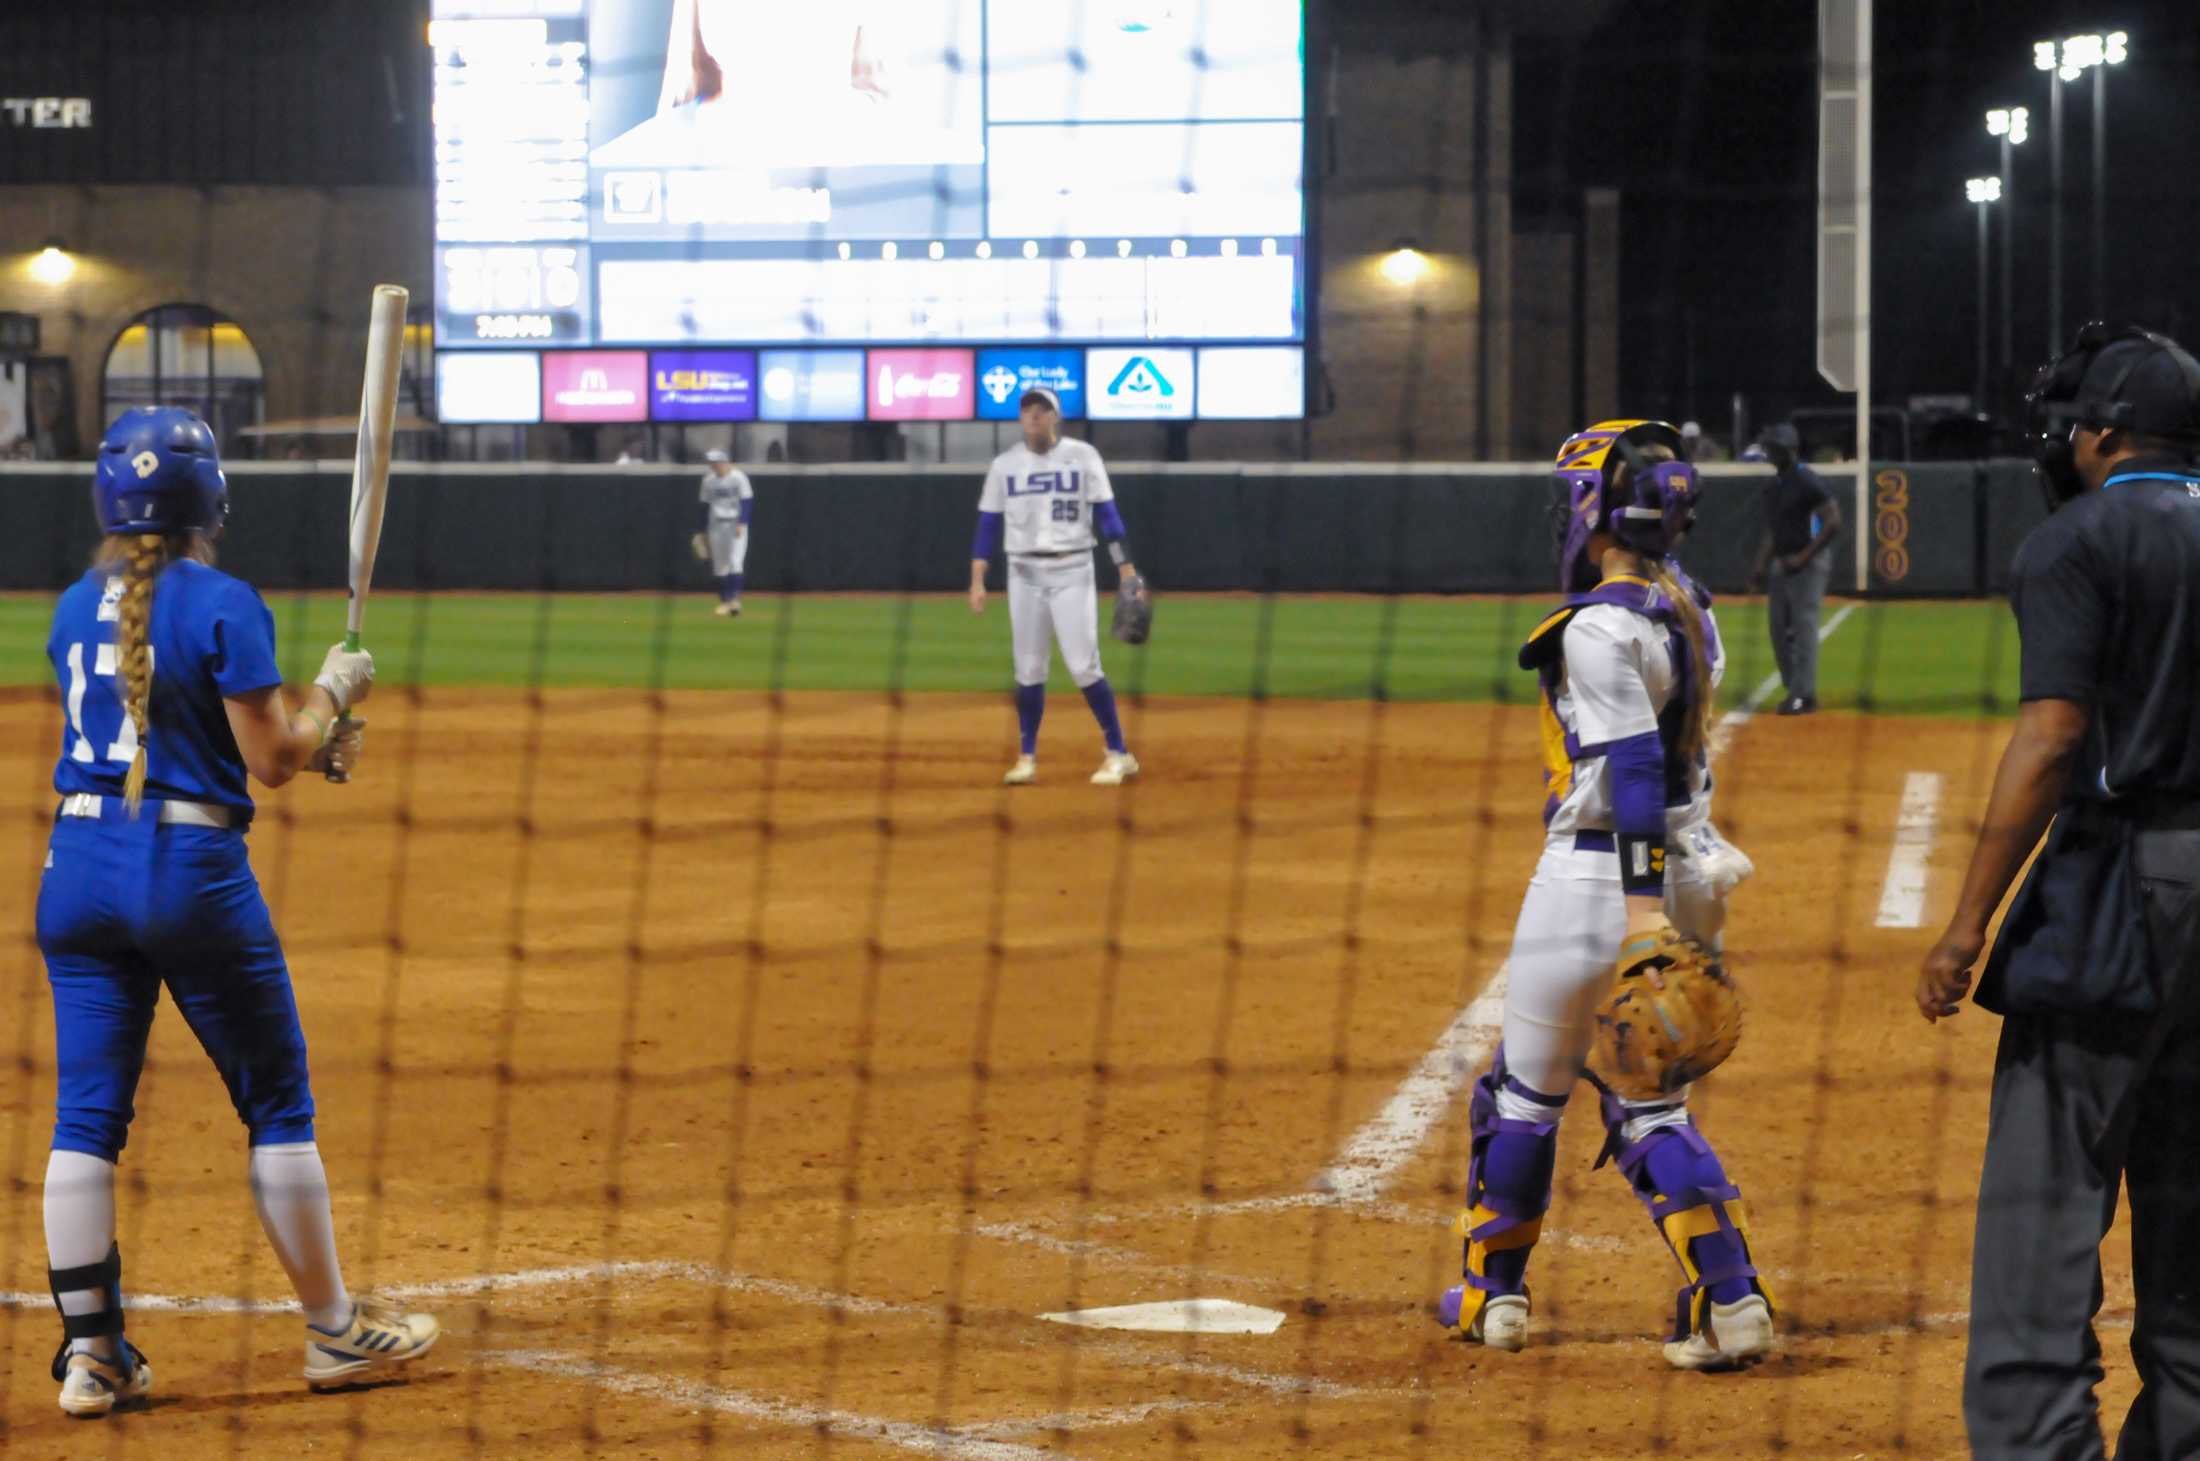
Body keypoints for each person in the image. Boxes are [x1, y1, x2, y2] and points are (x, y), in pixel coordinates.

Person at [34, 408, 439, 1416]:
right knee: (277, 1105)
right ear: (211, 498)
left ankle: (93, 1357)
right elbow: (275, 756)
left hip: (76, 868)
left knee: (86, 1119)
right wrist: (333, 699)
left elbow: (153, 731)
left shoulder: (77, 602)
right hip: (187, 872)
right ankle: (337, 1333)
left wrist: (310, 735)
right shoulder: (220, 599)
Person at [1919, 323, 2200, 1459]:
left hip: (2123, 887)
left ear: (2104, 437)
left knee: (2046, 1191)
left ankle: (2037, 1445)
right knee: (2188, 1190)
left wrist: (1965, 923)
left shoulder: (2078, 540)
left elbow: (2049, 740)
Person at [1439, 419, 1773, 1370]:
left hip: (1603, 882)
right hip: (1695, 868)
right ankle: (1732, 1301)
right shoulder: (1689, 606)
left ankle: (1493, 1297)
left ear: (1595, 510)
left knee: (1522, 1096)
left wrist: (1638, 916)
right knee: (1654, 1105)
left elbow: (1628, 768)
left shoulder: (1597, 627)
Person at [968, 387, 1140, 786]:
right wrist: (978, 579)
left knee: (1083, 665)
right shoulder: (1005, 465)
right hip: (1023, 574)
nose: (1033, 416)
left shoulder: (1083, 456)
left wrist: (1126, 571)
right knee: (1028, 669)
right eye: (1027, 409)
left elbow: (1108, 516)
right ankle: (1026, 757)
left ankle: (1118, 753)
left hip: (1073, 570)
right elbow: (988, 525)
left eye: (1041, 409)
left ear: (1055, 417)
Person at [1747, 423, 1842, 715]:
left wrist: (1803, 557)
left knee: (1803, 628)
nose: (1768, 451)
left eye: (1773, 447)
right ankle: (1796, 688)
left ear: (1789, 449)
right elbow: (1775, 531)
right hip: (1782, 562)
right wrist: (1760, 564)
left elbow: (1833, 521)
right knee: (1778, 629)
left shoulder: (1807, 480)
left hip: (1809, 564)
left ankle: (1803, 695)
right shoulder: (1774, 486)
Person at [698, 448, 753, 616]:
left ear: (725, 461)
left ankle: (735, 601)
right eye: (711, 462)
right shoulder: (708, 480)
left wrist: (742, 522)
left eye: (716, 462)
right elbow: (704, 505)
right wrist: (703, 531)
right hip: (715, 525)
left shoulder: (738, 477)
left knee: (735, 561)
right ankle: (724, 602)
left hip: (735, 524)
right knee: (720, 566)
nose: (713, 465)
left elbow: (747, 500)